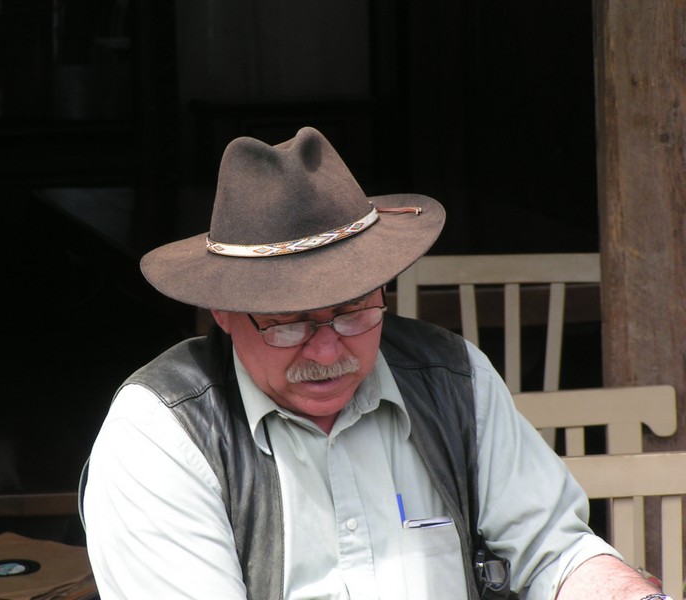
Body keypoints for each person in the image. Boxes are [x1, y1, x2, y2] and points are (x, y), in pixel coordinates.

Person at [82, 127, 670, 599]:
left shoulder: (455, 380)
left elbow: (555, 552)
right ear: (224, 313)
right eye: (288, 323)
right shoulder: (162, 435)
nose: (327, 351)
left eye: (353, 311)